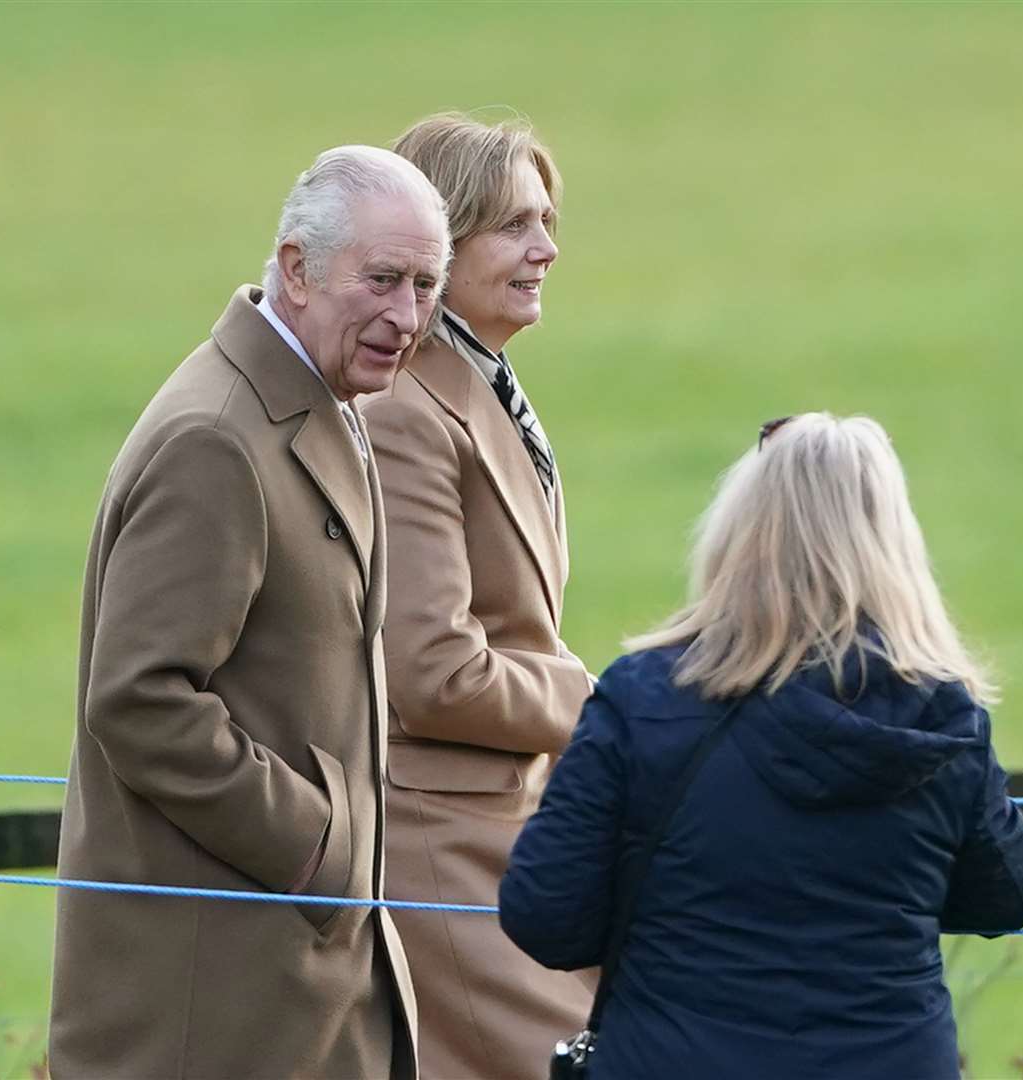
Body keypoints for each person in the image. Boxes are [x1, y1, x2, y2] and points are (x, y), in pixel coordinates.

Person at [48, 146, 451, 1080]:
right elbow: (141, 701)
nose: (406, 315)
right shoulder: (217, 439)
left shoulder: (320, 400)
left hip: (287, 992)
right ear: (298, 268)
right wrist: (316, 846)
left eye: (426, 285)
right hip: (215, 1010)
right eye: (383, 279)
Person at [500, 412, 1023, 1079]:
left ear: (739, 533)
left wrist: (667, 918)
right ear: (895, 546)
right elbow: (1004, 896)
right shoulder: (940, 713)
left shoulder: (644, 698)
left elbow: (543, 913)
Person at [362, 113, 595, 1080]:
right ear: (440, 244)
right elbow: (433, 672)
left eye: (546, 221)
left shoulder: (484, 380)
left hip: (510, 833)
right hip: (440, 848)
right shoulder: (410, 409)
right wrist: (602, 705)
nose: (546, 249)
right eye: (514, 227)